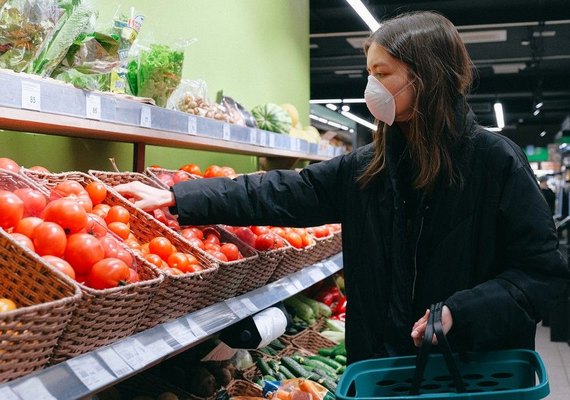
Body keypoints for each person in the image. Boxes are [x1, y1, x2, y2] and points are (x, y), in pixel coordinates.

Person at [115, 11, 569, 363]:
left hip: (471, 369)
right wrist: (182, 196)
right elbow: (280, 191)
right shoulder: (368, 167)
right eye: (369, 72)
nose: (371, 86)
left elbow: (540, 274)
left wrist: (459, 312)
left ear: (426, 77)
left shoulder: (495, 163)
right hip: (382, 369)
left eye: (383, 73)